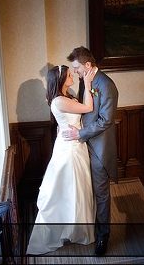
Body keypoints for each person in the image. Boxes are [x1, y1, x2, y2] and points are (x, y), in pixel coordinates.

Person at [26, 65, 97, 255]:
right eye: (68, 74)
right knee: (70, 189)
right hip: (70, 150)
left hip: (74, 145)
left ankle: (78, 229)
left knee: (77, 188)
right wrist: (88, 82)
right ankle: (71, 229)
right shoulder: (59, 100)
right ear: (61, 79)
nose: (72, 75)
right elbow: (88, 107)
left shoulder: (65, 97)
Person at [63, 46, 119, 256]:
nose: (75, 71)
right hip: (82, 146)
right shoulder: (84, 81)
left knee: (101, 194)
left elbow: (106, 121)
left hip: (99, 149)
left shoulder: (106, 84)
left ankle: (103, 236)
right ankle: (89, 229)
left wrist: (80, 134)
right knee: (88, 191)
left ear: (87, 65)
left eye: (77, 68)